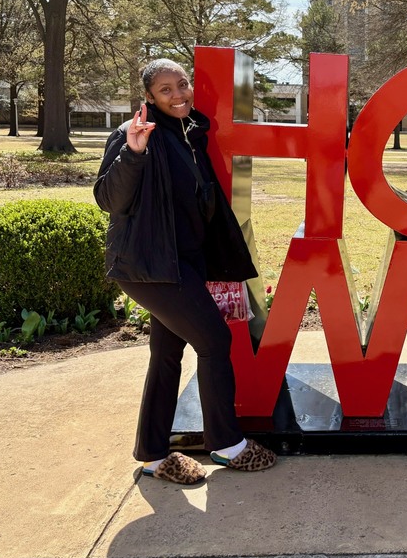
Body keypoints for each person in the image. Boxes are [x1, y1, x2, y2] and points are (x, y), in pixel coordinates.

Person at [94, 58, 276, 485]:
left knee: (167, 353)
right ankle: (228, 445)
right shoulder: (133, 135)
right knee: (213, 340)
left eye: (182, 84)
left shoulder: (188, 132)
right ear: (148, 97)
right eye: (165, 90)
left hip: (181, 261)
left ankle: (154, 455)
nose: (177, 95)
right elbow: (108, 199)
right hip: (150, 265)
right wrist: (132, 153)